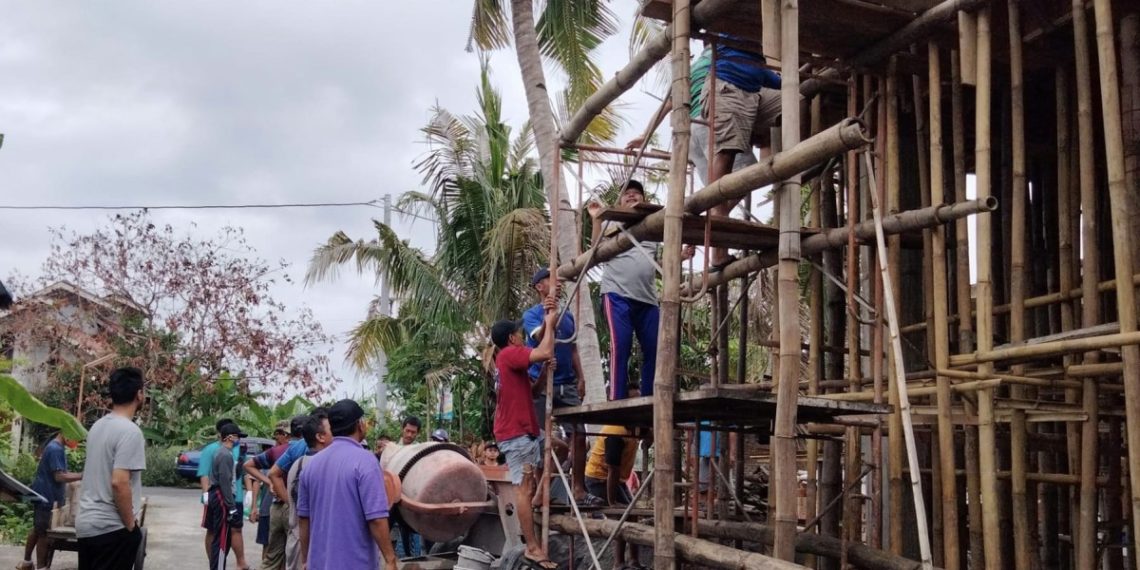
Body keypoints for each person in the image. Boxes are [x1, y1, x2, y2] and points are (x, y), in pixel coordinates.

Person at [587, 181, 693, 401]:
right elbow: (595, 250)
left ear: (643, 199)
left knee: (655, 348)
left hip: (646, 298)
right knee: (621, 346)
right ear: (620, 200)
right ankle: (616, 397)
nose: (632, 196)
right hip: (616, 294)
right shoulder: (613, 222)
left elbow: (659, 264)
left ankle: (649, 396)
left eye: (636, 193)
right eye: (627, 194)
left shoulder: (652, 226)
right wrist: (597, 218)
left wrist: (680, 257)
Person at [490, 300, 559, 570]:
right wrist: (549, 324)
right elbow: (544, 350)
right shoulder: (508, 354)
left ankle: (540, 496)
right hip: (516, 433)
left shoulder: (508, 363)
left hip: (527, 430)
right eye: (519, 333)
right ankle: (531, 546)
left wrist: (543, 370)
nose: (521, 336)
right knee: (522, 488)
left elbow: (533, 391)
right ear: (511, 338)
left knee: (558, 448)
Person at [297, 399, 398, 570]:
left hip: (318, 564)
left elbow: (303, 518)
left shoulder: (311, 465)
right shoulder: (366, 461)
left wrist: (306, 559)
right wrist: (390, 559)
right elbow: (376, 518)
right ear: (360, 424)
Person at [523, 267, 593, 506]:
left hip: (567, 383)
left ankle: (579, 488)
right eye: (551, 281)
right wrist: (548, 316)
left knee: (579, 434)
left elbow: (572, 349)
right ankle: (537, 489)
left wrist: (581, 377)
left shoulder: (568, 316)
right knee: (539, 439)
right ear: (540, 287)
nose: (558, 284)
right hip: (541, 384)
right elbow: (539, 339)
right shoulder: (531, 315)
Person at [75, 367, 147, 570]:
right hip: (112, 528)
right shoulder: (130, 432)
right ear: (139, 394)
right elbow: (119, 482)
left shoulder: (97, 427)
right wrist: (131, 526)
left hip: (87, 525)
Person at [583, 425, 646, 570]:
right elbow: (613, 468)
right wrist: (612, 502)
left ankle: (634, 561)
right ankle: (618, 563)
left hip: (617, 480)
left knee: (632, 514)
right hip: (599, 478)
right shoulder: (616, 434)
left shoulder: (632, 432)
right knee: (620, 517)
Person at [19, 432, 82, 570]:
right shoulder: (55, 449)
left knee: (37, 529)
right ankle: (41, 567)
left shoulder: (56, 447)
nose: (75, 442)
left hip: (45, 495)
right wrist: (83, 475)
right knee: (44, 534)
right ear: (65, 433)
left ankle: (26, 563)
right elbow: (59, 476)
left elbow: (61, 472)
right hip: (46, 497)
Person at [244, 419, 297, 570]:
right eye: (276, 434)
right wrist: (270, 482)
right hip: (287, 506)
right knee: (291, 555)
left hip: (276, 506)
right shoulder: (301, 450)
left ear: (287, 435)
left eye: (280, 434)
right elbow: (251, 474)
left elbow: (249, 466)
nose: (277, 437)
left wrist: (271, 482)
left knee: (273, 555)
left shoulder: (276, 452)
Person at [199, 418, 249, 570]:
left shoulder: (227, 452)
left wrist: (240, 460)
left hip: (222, 496)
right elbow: (225, 482)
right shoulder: (223, 454)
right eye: (237, 436)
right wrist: (231, 506)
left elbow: (235, 474)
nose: (239, 439)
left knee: (224, 535)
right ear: (229, 437)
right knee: (220, 538)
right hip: (222, 496)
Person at [285, 410, 331, 570]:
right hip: (308, 543)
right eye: (332, 429)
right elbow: (305, 516)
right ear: (320, 437)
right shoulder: (324, 466)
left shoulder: (297, 464)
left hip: (296, 540)